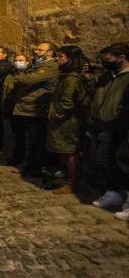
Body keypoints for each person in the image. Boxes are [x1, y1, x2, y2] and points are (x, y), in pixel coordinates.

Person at [43, 46, 89, 193]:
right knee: (63, 151)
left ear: (71, 59)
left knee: (70, 152)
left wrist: (55, 114)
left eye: (62, 57)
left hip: (68, 122)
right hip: (62, 122)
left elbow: (67, 102)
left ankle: (71, 183)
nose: (58, 59)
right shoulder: (67, 76)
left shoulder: (72, 78)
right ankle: (63, 179)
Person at [89, 42, 129, 211]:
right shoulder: (109, 76)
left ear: (122, 58)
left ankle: (122, 194)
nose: (105, 62)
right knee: (104, 158)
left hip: (119, 126)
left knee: (120, 161)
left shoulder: (126, 78)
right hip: (103, 124)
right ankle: (114, 191)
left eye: (109, 59)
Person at [10, 41, 59, 177]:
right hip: (28, 107)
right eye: (36, 49)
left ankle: (34, 168)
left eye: (40, 50)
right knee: (30, 139)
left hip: (36, 109)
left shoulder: (49, 67)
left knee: (36, 140)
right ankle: (28, 164)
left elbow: (28, 80)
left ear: (50, 53)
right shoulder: (39, 65)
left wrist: (20, 74)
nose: (36, 51)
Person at [2, 52, 30, 165]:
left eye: (21, 60)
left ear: (27, 62)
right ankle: (14, 155)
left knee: (21, 135)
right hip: (10, 108)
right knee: (13, 134)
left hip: (21, 109)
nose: (18, 62)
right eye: (16, 60)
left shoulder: (29, 76)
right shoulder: (11, 75)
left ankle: (21, 157)